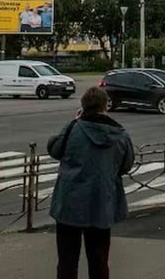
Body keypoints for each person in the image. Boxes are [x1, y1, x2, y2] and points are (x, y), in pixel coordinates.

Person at [48, 87, 134, 278]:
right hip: (102, 203)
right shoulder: (120, 135)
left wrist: (72, 122)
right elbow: (126, 165)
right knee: (99, 261)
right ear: (106, 107)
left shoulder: (74, 128)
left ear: (83, 107)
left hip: (69, 204)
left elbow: (55, 149)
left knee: (67, 262)